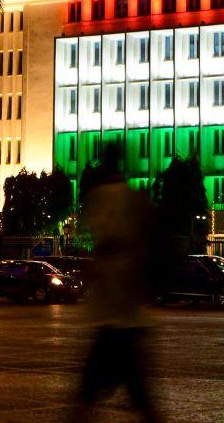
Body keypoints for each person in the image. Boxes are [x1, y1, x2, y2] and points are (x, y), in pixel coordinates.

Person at [71, 172, 160, 423]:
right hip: (127, 323)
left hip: (116, 326)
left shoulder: (111, 212)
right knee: (138, 396)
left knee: (88, 393)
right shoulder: (132, 206)